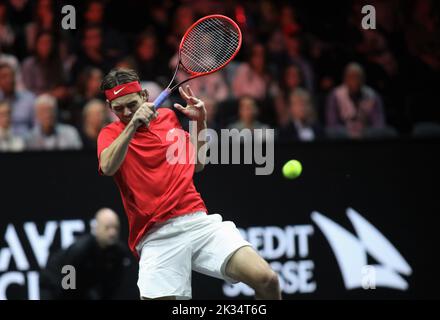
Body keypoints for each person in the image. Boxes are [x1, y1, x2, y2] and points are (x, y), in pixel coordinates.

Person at [97, 68, 281, 300]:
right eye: (118, 108)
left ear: (144, 96)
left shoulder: (168, 118)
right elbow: (108, 166)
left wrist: (200, 122)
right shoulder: (110, 133)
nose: (125, 112)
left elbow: (198, 163)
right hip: (156, 235)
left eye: (131, 105)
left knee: (267, 279)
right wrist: (133, 124)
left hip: (197, 222)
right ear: (109, 106)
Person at [39, 208, 132, 300]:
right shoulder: (81, 249)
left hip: (81, 287)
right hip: (54, 283)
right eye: (107, 228)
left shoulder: (119, 253)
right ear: (97, 229)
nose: (112, 232)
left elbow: (110, 288)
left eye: (115, 227)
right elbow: (67, 282)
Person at [325, 62, 386, 139]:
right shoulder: (336, 95)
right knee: (330, 132)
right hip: (343, 136)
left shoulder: (372, 95)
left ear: (363, 79)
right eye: (351, 77)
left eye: (358, 77)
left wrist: (364, 132)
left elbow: (378, 123)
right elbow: (332, 123)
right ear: (345, 79)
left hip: (367, 135)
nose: (354, 80)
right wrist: (349, 133)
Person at [0, 62, 35, 137]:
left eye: (11, 76)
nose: (9, 80)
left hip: (26, 142)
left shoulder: (28, 99)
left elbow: (37, 127)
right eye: (4, 76)